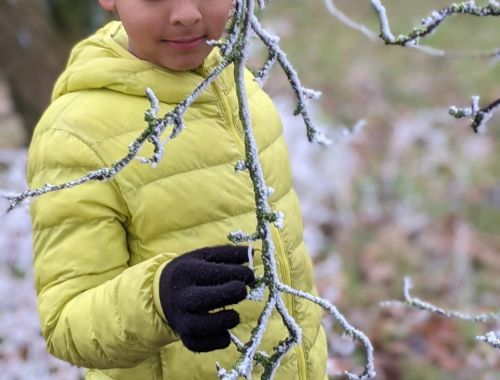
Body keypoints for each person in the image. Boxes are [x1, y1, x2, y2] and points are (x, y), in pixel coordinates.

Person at [27, 0, 328, 379]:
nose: (186, 13)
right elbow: (64, 322)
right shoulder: (74, 136)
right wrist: (158, 300)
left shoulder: (240, 88)